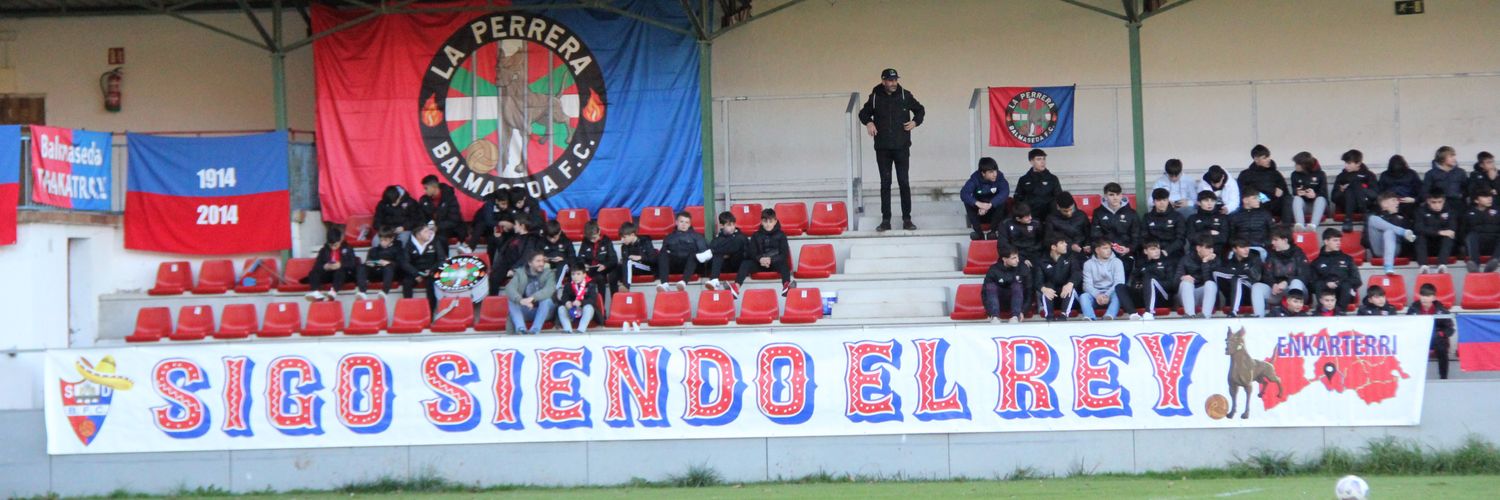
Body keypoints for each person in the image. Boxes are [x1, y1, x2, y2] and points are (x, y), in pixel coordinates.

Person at [859, 68, 925, 232]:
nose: (893, 83)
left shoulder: (905, 95)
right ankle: (885, 220)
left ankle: (907, 219)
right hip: (882, 148)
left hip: (902, 147)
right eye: (890, 80)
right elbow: (863, 113)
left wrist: (915, 122)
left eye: (895, 80)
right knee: (885, 184)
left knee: (904, 182)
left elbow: (920, 109)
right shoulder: (875, 97)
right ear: (883, 81)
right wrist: (869, 122)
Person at [742, 209, 796, 298]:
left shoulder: (781, 235)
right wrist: (760, 259)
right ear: (761, 222)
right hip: (759, 264)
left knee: (784, 264)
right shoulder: (756, 235)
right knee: (745, 263)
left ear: (775, 221)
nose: (768, 224)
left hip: (775, 264)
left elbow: (784, 254)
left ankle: (786, 286)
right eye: (765, 221)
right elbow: (752, 252)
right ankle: (736, 287)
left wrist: (771, 260)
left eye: (770, 221)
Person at [1080, 238, 1136, 321]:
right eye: (1105, 248)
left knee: (1118, 295)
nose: (1109, 251)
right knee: (1083, 296)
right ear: (1097, 250)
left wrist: (1107, 295)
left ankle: (1109, 316)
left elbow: (1119, 283)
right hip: (1095, 295)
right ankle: (1090, 317)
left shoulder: (1117, 262)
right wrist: (1097, 295)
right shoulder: (1088, 264)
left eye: (1109, 248)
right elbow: (1087, 285)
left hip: (1111, 293)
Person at [306, 228, 368, 301]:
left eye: (335, 245)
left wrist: (341, 264)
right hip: (329, 273)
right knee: (313, 273)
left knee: (340, 271)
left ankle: (334, 291)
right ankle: (315, 291)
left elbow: (353, 263)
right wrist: (325, 267)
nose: (333, 248)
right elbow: (316, 266)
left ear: (340, 240)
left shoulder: (347, 248)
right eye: (331, 245)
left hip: (343, 274)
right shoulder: (324, 250)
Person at [1408, 283, 1455, 379]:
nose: (1424, 298)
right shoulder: (1413, 308)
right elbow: (1407, 324)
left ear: (1433, 298)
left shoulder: (1441, 310)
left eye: (1428, 296)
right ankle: (1414, 378)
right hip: (1419, 338)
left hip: (1436, 338)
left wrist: (1441, 334)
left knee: (1442, 348)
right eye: (1423, 295)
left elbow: (1450, 328)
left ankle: (1443, 377)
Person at [504, 251, 556, 335]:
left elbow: (549, 289)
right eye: (538, 261)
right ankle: (521, 329)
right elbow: (510, 288)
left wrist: (532, 298)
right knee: (512, 300)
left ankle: (534, 330)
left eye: (543, 261)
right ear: (530, 263)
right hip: (528, 309)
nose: (541, 263)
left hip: (545, 311)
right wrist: (521, 301)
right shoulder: (520, 273)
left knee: (546, 300)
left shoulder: (549, 273)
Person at [1366, 192, 1418, 275]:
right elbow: (1365, 240)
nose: (1397, 203)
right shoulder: (1376, 216)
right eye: (1394, 200)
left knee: (1389, 232)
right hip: (1378, 249)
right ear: (1384, 204)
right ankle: (1401, 231)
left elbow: (1410, 239)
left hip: (1396, 250)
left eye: (1397, 201)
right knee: (1372, 219)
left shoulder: (1402, 217)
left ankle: (1388, 266)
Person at [1090, 182, 1140, 269]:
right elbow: (1095, 235)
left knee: (1125, 266)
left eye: (1118, 194)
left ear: (1121, 195)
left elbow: (1136, 236)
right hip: (1105, 250)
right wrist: (1105, 248)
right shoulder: (1098, 212)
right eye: (1111, 195)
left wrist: (1129, 249)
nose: (1115, 197)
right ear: (1105, 196)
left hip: (1125, 251)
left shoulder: (1132, 213)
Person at [657, 211, 711, 290]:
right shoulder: (669, 237)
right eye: (681, 221)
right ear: (676, 222)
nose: (684, 224)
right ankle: (664, 284)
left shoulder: (697, 236)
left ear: (689, 224)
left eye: (686, 222)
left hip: (692, 266)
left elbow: (704, 253)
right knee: (663, 254)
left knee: (694, 255)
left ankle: (684, 282)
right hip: (675, 265)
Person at [401, 222, 449, 312]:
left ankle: (430, 313)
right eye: (426, 231)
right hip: (416, 272)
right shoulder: (409, 245)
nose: (429, 233)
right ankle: (408, 310)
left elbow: (442, 259)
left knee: (431, 284)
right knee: (406, 282)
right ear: (418, 235)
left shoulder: (435, 242)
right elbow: (405, 263)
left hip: (431, 271)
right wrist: (415, 274)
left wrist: (431, 270)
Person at [490, 214, 543, 295]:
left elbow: (526, 257)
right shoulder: (514, 237)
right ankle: (493, 302)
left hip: (518, 266)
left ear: (522, 226)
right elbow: (503, 250)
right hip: (505, 265)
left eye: (516, 224)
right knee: (494, 277)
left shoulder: (530, 239)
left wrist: (513, 269)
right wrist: (498, 237)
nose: (514, 226)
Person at [1034, 236, 1082, 321]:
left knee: (1070, 288)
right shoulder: (1042, 261)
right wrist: (1044, 289)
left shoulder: (1070, 258)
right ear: (1053, 247)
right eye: (1062, 243)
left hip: (1067, 297)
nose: (1066, 244)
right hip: (1051, 295)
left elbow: (1077, 273)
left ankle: (1063, 315)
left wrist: (1070, 283)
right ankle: (1049, 316)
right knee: (1048, 287)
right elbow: (1038, 281)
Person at [1311, 228, 1360, 312]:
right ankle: (1323, 312)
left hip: (1345, 293)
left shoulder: (1348, 259)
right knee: (1319, 284)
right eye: (1335, 240)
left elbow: (1357, 280)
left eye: (1339, 240)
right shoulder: (1316, 262)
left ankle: (1340, 312)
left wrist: (1339, 283)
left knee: (1346, 285)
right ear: (1326, 242)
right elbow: (1312, 284)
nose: (1338, 243)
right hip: (1326, 293)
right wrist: (1326, 284)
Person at [961, 157, 1009, 240]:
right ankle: (979, 233)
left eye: (995, 171)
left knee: (1002, 201)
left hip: (993, 210)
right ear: (983, 173)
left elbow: (1005, 192)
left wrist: (990, 204)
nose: (995, 174)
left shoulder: (1000, 177)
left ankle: (993, 231)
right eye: (991, 172)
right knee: (967, 202)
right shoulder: (975, 179)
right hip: (980, 213)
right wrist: (979, 204)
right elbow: (964, 194)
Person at [1219, 239, 1270, 317]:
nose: (1246, 250)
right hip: (1237, 294)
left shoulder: (1255, 259)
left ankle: (1233, 311)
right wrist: (1243, 272)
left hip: (1254, 290)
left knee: (1237, 279)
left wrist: (1240, 273)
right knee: (1233, 278)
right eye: (1242, 247)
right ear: (1234, 249)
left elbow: (1256, 278)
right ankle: (1232, 309)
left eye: (1247, 247)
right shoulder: (1229, 262)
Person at [1238, 144, 1290, 221]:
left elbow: (1285, 191)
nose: (1268, 160)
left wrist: (1281, 190)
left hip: (1275, 203)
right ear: (1256, 159)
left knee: (1288, 199)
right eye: (1265, 158)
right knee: (1255, 200)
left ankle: (1286, 227)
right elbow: (1244, 192)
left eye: (1268, 156)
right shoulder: (1246, 174)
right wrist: (1261, 195)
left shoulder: (1276, 173)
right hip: (1259, 203)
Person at [418, 175, 469, 251]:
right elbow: (422, 217)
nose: (424, 191)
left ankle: (443, 260)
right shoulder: (423, 200)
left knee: (440, 237)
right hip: (431, 228)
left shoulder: (450, 198)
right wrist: (428, 227)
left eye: (426, 188)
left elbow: (454, 219)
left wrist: (438, 227)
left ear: (434, 187)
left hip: (450, 228)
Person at [1263, 227, 1311, 306]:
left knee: (1296, 282)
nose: (1272, 242)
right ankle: (1259, 316)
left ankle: (1295, 314)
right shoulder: (1271, 254)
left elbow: (1305, 276)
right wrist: (1273, 284)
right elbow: (1266, 275)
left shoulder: (1298, 253)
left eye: (1275, 240)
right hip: (1277, 291)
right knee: (1257, 287)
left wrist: (1287, 282)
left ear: (1285, 240)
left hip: (1299, 293)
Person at [1178, 235, 1223, 319]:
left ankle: (1205, 315)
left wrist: (1205, 262)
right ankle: (1190, 314)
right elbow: (1174, 282)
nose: (1211, 251)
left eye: (1212, 248)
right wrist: (1182, 278)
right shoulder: (1186, 259)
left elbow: (1210, 281)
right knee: (1186, 283)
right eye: (1208, 248)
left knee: (1210, 284)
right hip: (1187, 295)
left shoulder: (1216, 260)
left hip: (1203, 295)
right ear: (1198, 248)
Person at [1332, 151, 1378, 233]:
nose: (1346, 165)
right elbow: (1334, 198)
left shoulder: (1369, 175)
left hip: (1366, 203)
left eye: (1349, 163)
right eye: (1345, 163)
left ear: (1358, 163)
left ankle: (1348, 219)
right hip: (1347, 206)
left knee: (1355, 184)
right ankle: (1357, 215)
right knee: (1350, 189)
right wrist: (1341, 191)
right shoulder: (1341, 177)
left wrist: (1361, 189)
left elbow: (1374, 195)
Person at [983, 244, 1031, 324]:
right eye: (1013, 258)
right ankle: (995, 317)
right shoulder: (993, 270)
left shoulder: (1023, 268)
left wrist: (1023, 311)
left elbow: (1029, 291)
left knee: (1017, 285)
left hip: (1018, 303)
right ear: (1004, 259)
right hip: (999, 303)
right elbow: (984, 293)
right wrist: (989, 312)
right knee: (991, 287)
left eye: (1017, 257)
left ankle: (1015, 316)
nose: (1018, 260)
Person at [705, 212, 751, 292]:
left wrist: (725, 253)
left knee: (737, 241)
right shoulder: (717, 240)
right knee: (717, 255)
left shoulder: (741, 237)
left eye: (733, 224)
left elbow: (746, 253)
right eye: (729, 225)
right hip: (724, 266)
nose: (732, 227)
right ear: (722, 226)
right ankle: (714, 281)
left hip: (738, 264)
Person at [1414, 189, 1457, 274]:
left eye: (1439, 202)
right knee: (1420, 237)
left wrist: (1443, 233)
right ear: (1428, 201)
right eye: (1434, 202)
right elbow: (1418, 228)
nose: (1437, 205)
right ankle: (1423, 266)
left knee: (1449, 236)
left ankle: (1442, 265)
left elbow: (1452, 228)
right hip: (1427, 245)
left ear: (1444, 201)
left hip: (1442, 246)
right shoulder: (1421, 210)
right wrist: (1439, 232)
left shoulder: (1449, 210)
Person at [1130, 239, 1173, 320]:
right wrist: (1139, 286)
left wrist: (1155, 282)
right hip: (1144, 297)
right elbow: (1134, 282)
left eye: (1158, 249)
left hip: (1163, 297)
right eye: (1153, 249)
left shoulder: (1167, 262)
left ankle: (1149, 312)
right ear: (1145, 251)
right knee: (1120, 287)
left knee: (1150, 279)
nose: (1157, 251)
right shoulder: (1142, 265)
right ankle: (1132, 313)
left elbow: (1172, 285)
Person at [1015, 148, 1062, 222]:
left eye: (1044, 159)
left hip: (1048, 214)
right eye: (1039, 159)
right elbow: (1018, 198)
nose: (1042, 162)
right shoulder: (1023, 179)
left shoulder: (1053, 178)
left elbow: (1059, 197)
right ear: (1031, 161)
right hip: (1030, 214)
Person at [1227, 188, 1273, 259]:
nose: (1258, 200)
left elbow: (1273, 232)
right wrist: (1238, 245)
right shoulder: (1234, 216)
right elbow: (1231, 236)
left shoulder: (1265, 214)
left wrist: (1265, 244)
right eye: (1254, 198)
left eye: (1258, 198)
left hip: (1260, 247)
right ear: (1245, 200)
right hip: (1241, 248)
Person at [1462, 187, 1500, 273]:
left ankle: (1493, 262)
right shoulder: (1469, 213)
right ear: (1476, 200)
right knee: (1471, 236)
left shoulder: (1498, 211)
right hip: (1477, 245)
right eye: (1485, 196)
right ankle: (1474, 265)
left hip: (1494, 245)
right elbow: (1463, 231)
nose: (1490, 198)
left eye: (1490, 196)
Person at [1142, 188, 1185, 263]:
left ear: (1168, 201)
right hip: (1153, 252)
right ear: (1154, 202)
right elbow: (1144, 237)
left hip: (1173, 253)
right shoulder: (1147, 217)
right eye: (1158, 200)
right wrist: (1153, 250)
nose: (1162, 203)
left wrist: (1167, 250)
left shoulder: (1177, 216)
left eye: (1164, 200)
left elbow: (1181, 239)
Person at [1288, 151, 1328, 230]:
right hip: (1304, 205)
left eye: (1297, 164)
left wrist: (1314, 195)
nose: (1295, 166)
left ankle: (1313, 226)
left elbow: (1324, 194)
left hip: (1317, 205)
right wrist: (1298, 192)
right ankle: (1300, 225)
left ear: (1304, 165)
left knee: (1320, 199)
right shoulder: (1294, 174)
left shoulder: (1320, 174)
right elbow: (1294, 190)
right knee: (1296, 199)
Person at [576, 221, 618, 295]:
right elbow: (580, 257)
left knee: (602, 277)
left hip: (603, 270)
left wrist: (605, 265)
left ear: (599, 232)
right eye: (590, 238)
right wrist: (584, 265)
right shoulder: (585, 241)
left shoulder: (606, 241)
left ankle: (602, 304)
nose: (592, 240)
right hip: (591, 270)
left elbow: (614, 259)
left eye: (594, 238)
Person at [1425, 145, 1468, 212]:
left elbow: (1466, 188)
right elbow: (1426, 191)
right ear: (1442, 158)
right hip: (1440, 205)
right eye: (1451, 156)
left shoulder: (1460, 172)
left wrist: (1461, 196)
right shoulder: (1431, 174)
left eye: (1454, 156)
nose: (1454, 158)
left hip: (1458, 204)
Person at [617, 222, 657, 291]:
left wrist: (640, 257)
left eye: (624, 237)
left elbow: (653, 259)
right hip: (633, 267)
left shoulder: (645, 242)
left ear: (632, 235)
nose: (622, 240)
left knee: (628, 262)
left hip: (647, 268)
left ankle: (626, 286)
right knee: (614, 270)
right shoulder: (624, 246)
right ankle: (615, 296)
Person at [1185, 190, 1228, 255]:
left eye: (1212, 201)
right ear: (1199, 203)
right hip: (1197, 253)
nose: (1209, 203)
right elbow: (1191, 238)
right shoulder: (1192, 218)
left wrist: (1200, 235)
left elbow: (1223, 238)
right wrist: (1209, 233)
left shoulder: (1222, 218)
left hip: (1217, 253)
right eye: (1206, 200)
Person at [364, 229, 405, 296]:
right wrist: (371, 263)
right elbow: (368, 261)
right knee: (362, 266)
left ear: (392, 239)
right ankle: (362, 291)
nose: (383, 242)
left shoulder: (398, 250)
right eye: (381, 240)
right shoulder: (373, 250)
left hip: (392, 274)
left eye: (385, 240)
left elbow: (401, 264)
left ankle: (384, 291)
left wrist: (389, 263)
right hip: (377, 272)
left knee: (388, 267)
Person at [556, 265, 596, 334]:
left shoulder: (590, 285)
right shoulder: (568, 285)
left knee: (589, 307)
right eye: (573, 274)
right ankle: (568, 330)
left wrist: (581, 302)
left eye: (578, 274)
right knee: (561, 308)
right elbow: (564, 298)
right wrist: (567, 302)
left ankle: (581, 330)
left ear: (584, 275)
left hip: (585, 312)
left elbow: (592, 300)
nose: (575, 276)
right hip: (572, 311)